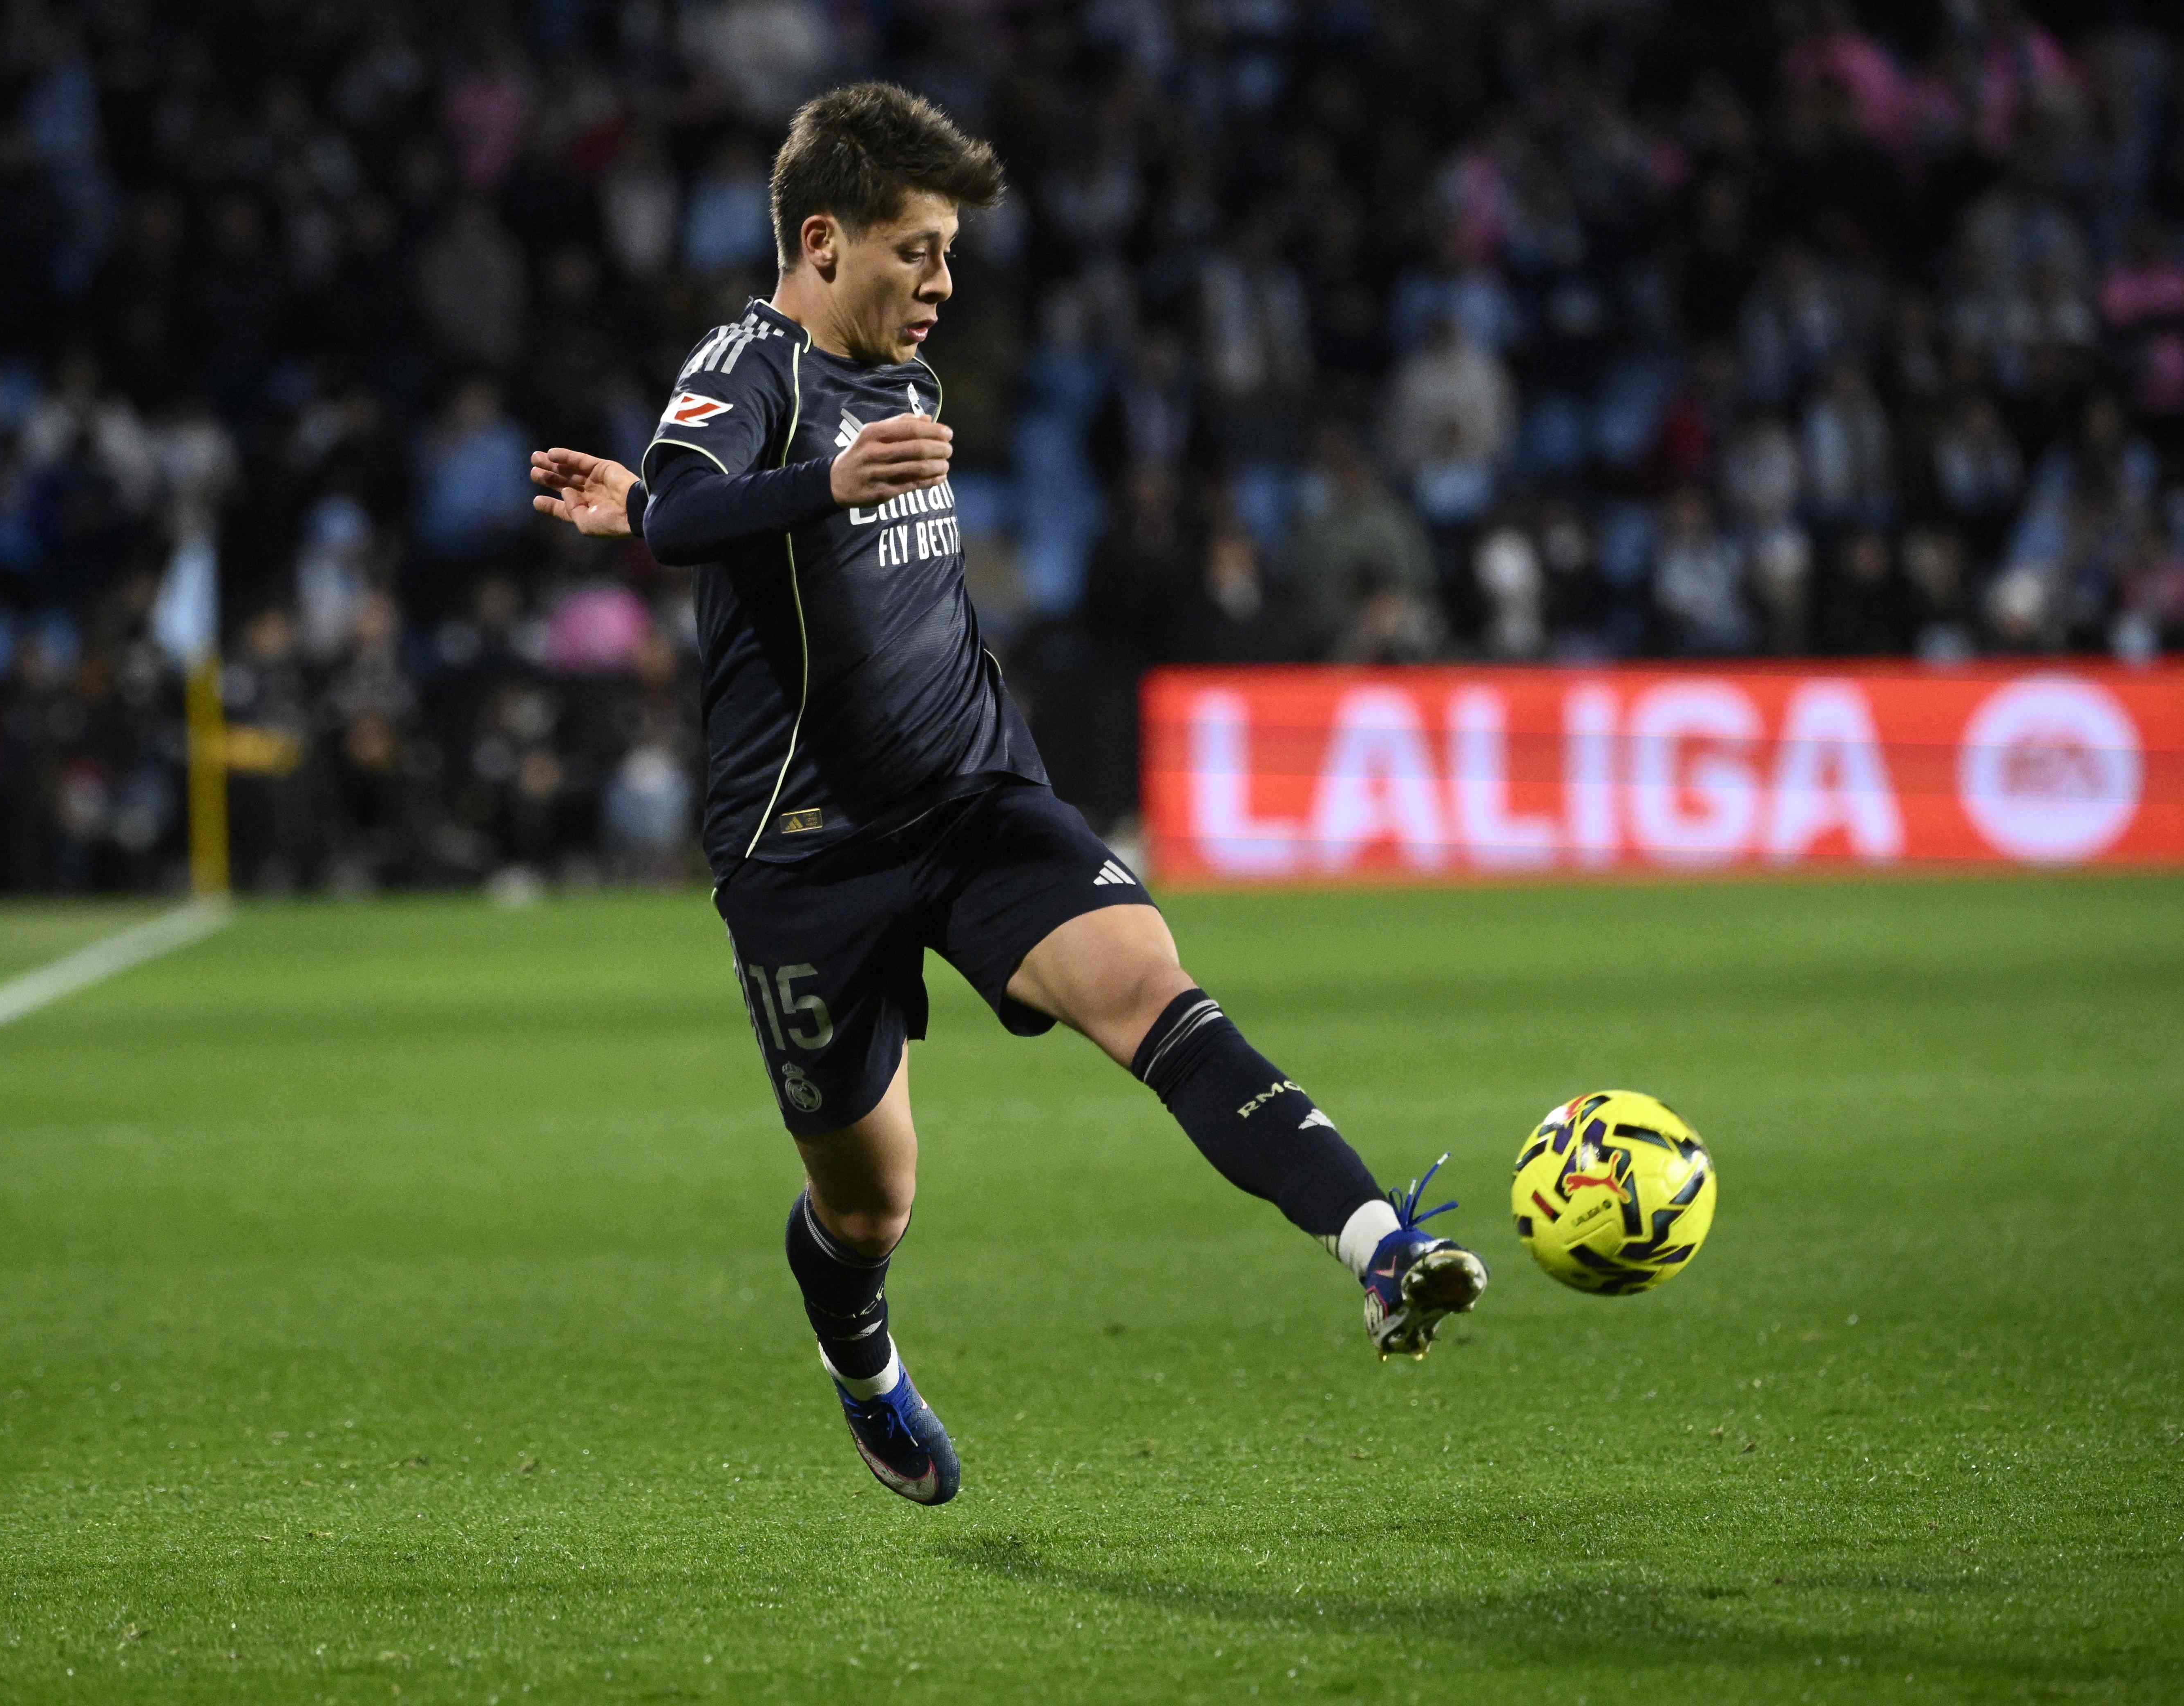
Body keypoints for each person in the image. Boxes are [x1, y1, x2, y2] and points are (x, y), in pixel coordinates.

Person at [527, 83, 1485, 1508]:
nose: (942, 284)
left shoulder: (907, 382)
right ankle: (863, 1367)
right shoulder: (751, 362)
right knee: (870, 1205)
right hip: (805, 853)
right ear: (823, 240)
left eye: (950, 254)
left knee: (1154, 994)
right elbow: (673, 516)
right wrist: (819, 482)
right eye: (915, 251)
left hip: (975, 797)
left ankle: (1380, 1248)